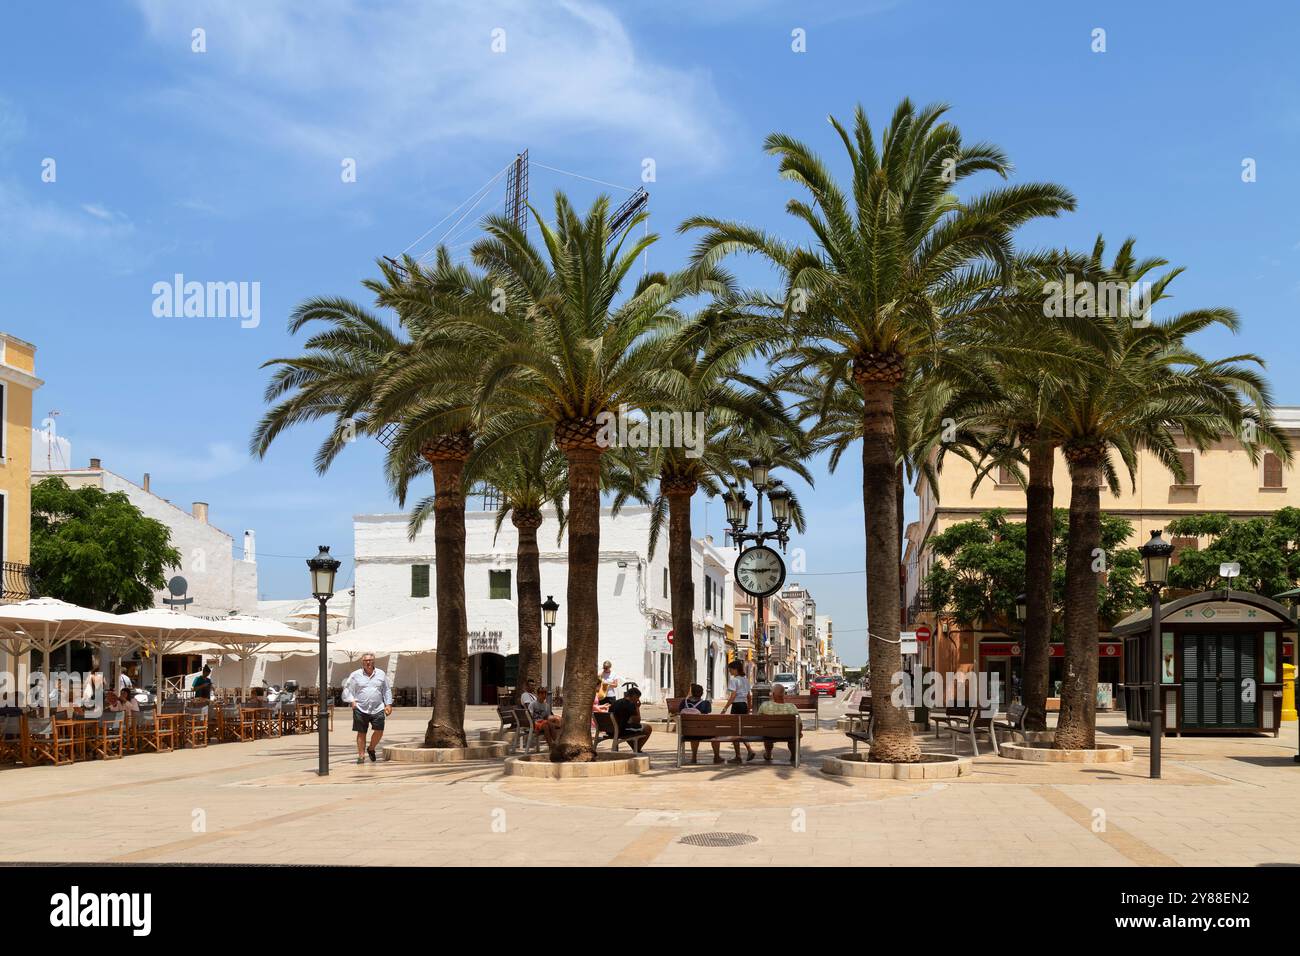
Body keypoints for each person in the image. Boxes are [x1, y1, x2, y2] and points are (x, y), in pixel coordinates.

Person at [341, 652, 393, 764]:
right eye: (365, 661)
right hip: (360, 708)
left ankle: (371, 748)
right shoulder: (355, 674)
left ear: (374, 661)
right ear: (362, 662)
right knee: (361, 732)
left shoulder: (381, 674)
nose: (368, 662)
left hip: (378, 708)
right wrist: (352, 700)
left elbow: (386, 690)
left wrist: (388, 704)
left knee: (379, 731)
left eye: (370, 660)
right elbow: (347, 688)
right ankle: (361, 756)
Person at [720, 659, 755, 763]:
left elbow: (733, 695)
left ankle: (738, 756)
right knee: (741, 731)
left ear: (735, 670)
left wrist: (725, 708)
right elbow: (749, 696)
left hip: (736, 706)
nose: (730, 671)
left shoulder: (734, 680)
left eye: (730, 669)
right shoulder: (745, 680)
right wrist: (748, 709)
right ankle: (748, 750)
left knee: (734, 731)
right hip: (743, 706)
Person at [756, 683, 800, 763]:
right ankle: (793, 754)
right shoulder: (792, 707)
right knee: (793, 735)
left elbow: (758, 720)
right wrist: (799, 732)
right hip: (788, 734)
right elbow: (799, 724)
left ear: (773, 694)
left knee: (767, 732)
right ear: (784, 694)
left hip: (769, 734)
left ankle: (768, 754)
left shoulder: (765, 705)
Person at [679, 683, 719, 764]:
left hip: (687, 733)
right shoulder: (705, 703)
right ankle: (717, 756)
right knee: (715, 733)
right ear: (702, 693)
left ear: (692, 693)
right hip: (702, 732)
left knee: (694, 732)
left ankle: (694, 757)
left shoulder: (684, 702)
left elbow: (679, 710)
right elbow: (708, 711)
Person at [610, 686, 652, 753]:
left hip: (610, 730)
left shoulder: (615, 703)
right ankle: (637, 749)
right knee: (648, 728)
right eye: (638, 698)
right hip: (621, 731)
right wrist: (637, 707)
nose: (638, 700)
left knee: (630, 728)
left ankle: (636, 748)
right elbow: (637, 721)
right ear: (634, 696)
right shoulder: (630, 704)